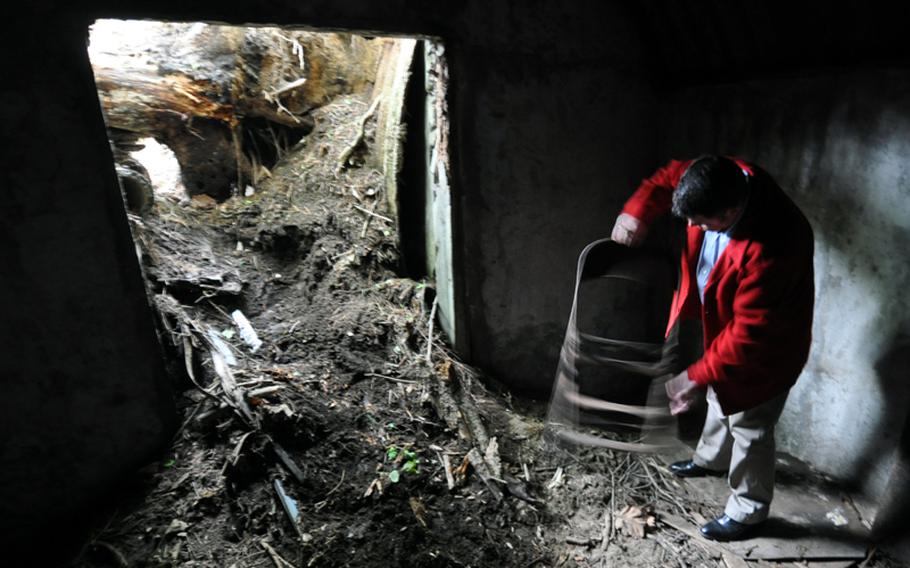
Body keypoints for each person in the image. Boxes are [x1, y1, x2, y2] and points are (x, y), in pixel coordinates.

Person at [611, 155, 815, 541]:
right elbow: (663, 178)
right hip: (726, 322)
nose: (692, 227)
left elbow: (749, 333)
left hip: (768, 348)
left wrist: (694, 375)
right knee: (721, 399)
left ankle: (749, 511)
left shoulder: (777, 244)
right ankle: (710, 460)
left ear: (732, 210)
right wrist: (636, 212)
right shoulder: (719, 174)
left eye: (703, 221)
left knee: (750, 424)